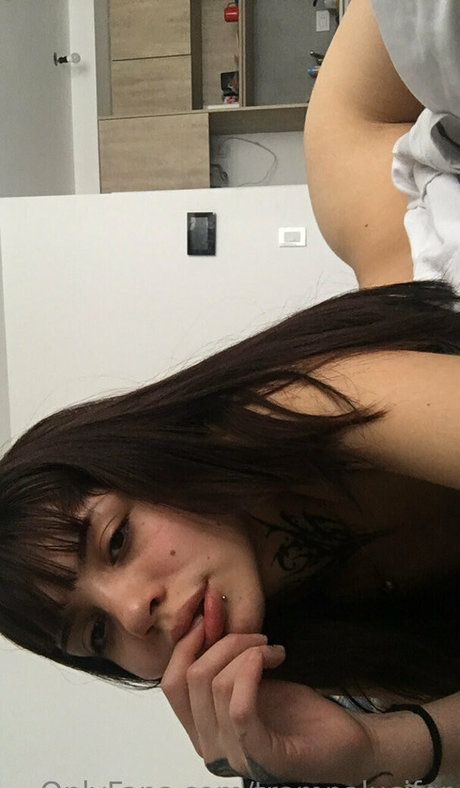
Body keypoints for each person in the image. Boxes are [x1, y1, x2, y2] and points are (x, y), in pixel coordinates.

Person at [2, 1, 460, 786]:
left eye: (116, 540)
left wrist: (297, 408)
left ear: (153, 457)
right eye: (99, 637)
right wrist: (384, 749)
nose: (134, 614)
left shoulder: (373, 192)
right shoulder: (355, 672)